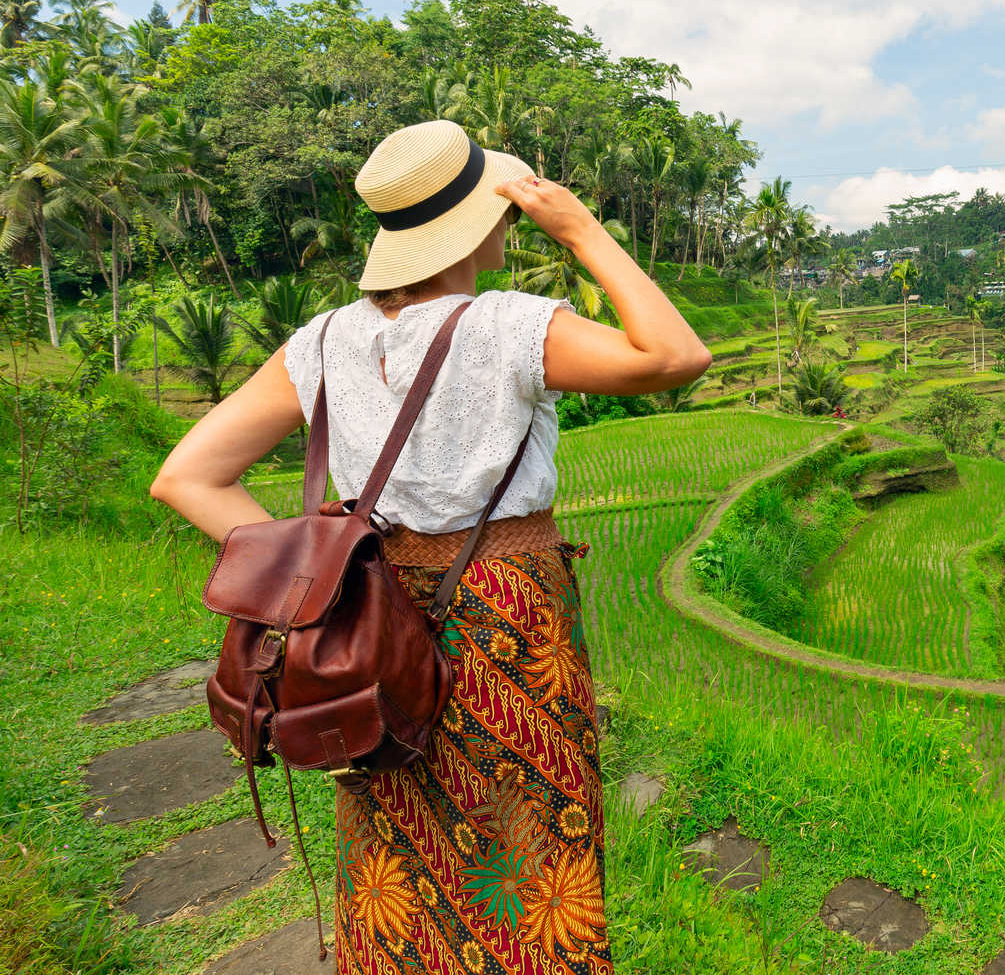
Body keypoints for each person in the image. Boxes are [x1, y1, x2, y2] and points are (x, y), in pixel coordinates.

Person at [150, 119, 711, 975]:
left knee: (392, 835)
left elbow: (185, 477)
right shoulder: (509, 326)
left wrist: (326, 576)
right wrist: (583, 230)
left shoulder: (323, 340)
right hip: (508, 621)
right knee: (528, 838)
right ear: (483, 224)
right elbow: (675, 355)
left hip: (364, 625)